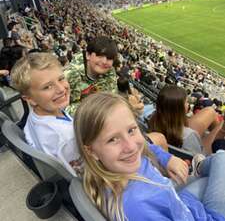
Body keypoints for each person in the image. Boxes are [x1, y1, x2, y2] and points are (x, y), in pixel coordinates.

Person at [74, 92, 225, 221]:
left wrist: (167, 159)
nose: (131, 147)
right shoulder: (139, 205)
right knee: (221, 158)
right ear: (91, 151)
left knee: (216, 165)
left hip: (182, 204)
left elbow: (146, 145)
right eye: (113, 139)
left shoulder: (113, 166)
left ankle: (200, 166)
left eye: (132, 130)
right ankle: (200, 165)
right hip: (203, 216)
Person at [10, 52, 81, 170]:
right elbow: (82, 171)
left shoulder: (36, 115)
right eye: (47, 87)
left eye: (61, 79)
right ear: (29, 99)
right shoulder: (67, 136)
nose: (61, 89)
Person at [148, 85, 224, 155]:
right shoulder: (190, 135)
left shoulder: (152, 118)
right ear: (180, 109)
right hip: (198, 158)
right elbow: (197, 160)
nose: (188, 104)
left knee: (210, 111)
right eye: (186, 102)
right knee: (222, 124)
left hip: (177, 139)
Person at [65, 36, 118, 115]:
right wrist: (94, 108)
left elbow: (111, 101)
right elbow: (61, 109)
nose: (104, 61)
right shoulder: (70, 75)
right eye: (100, 56)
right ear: (88, 55)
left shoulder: (110, 71)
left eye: (109, 58)